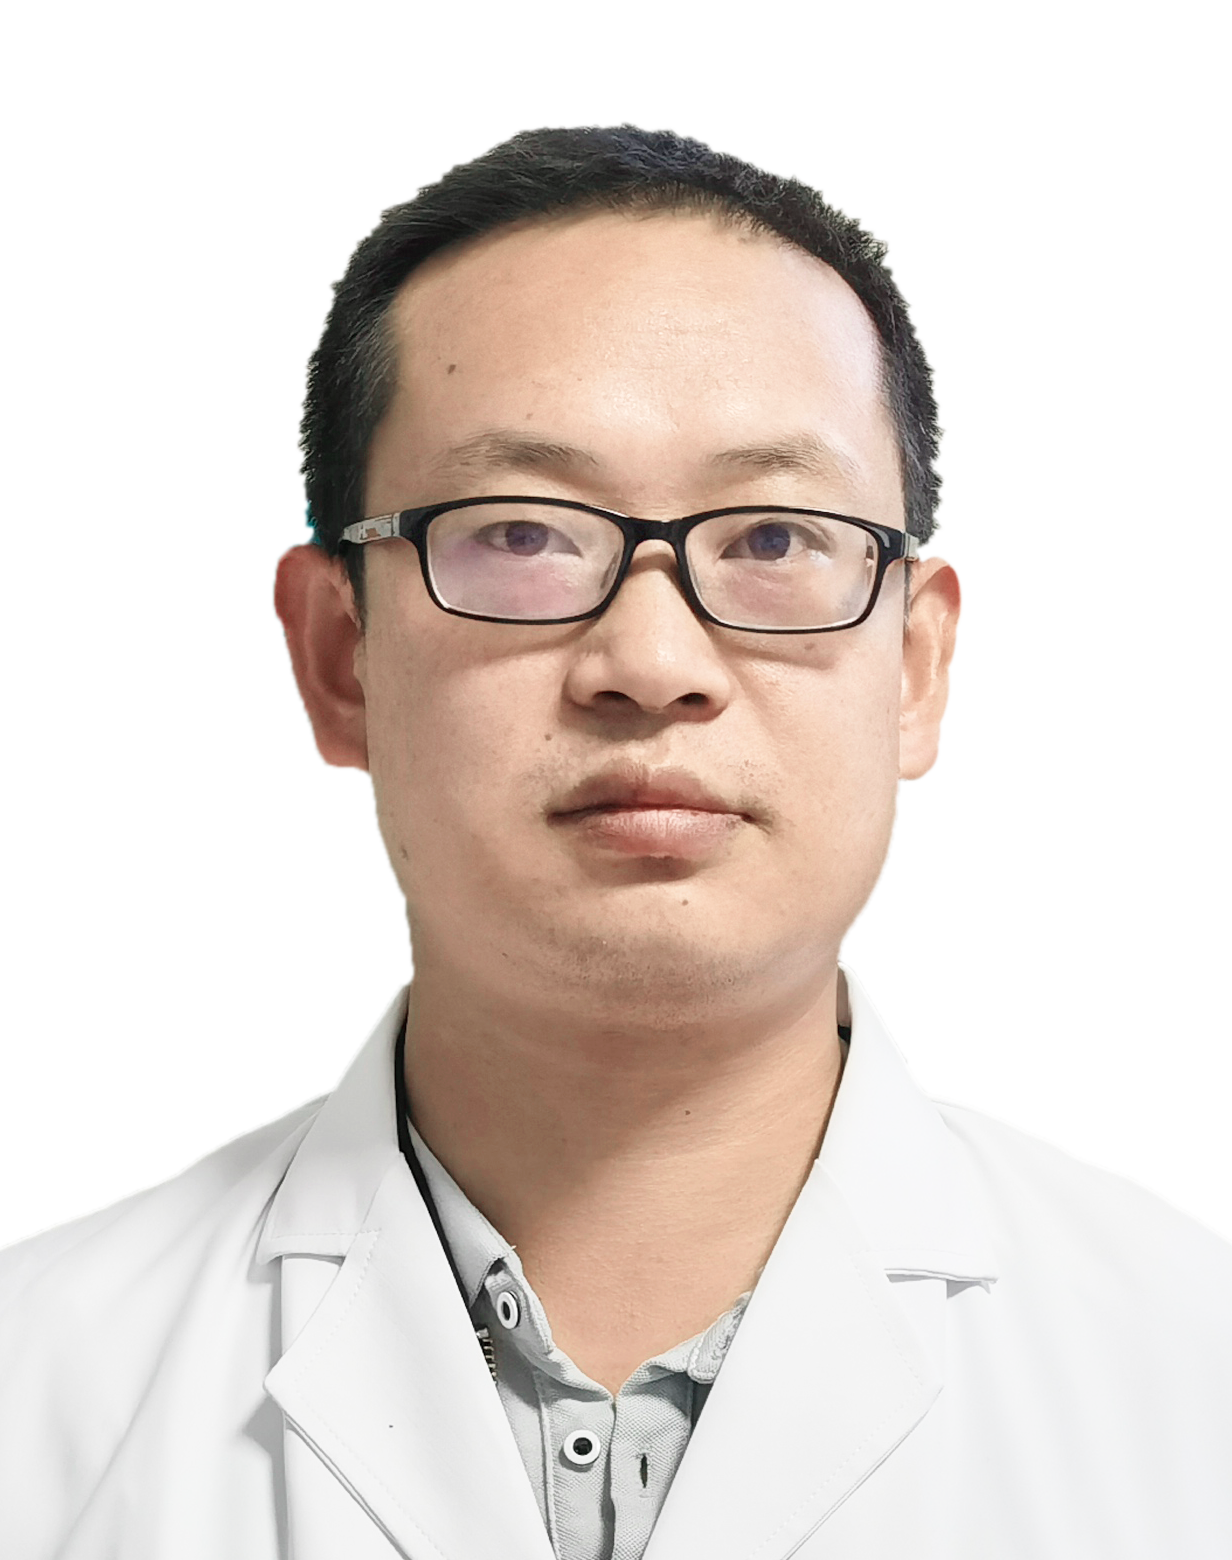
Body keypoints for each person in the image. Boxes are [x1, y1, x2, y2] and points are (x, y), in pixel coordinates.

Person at [1, 121, 1229, 1560]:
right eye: (521, 533)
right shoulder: (41, 1395)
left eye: (774, 539)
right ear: (339, 659)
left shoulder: (1189, 1375)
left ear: (914, 670)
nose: (652, 662)